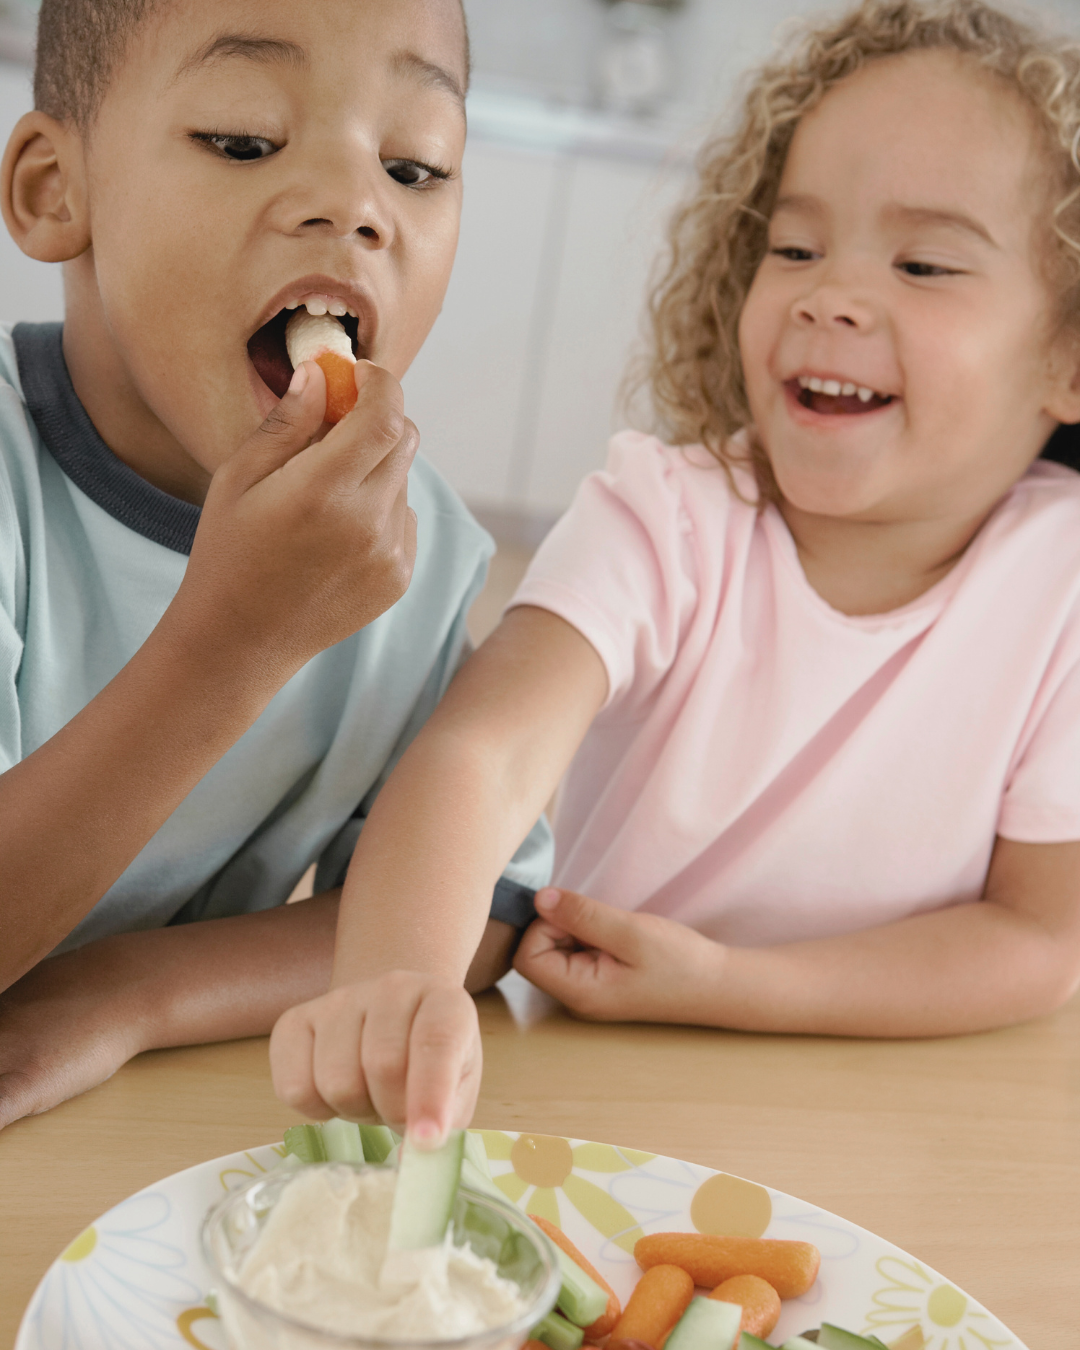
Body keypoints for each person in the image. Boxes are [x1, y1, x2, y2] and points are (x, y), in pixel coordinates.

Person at [272, 0, 1080, 1142]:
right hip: (599, 1094)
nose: (829, 292)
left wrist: (729, 983)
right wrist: (396, 984)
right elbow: (480, 755)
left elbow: (1040, 940)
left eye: (925, 263)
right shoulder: (667, 519)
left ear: (1069, 352)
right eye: (792, 246)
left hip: (893, 1124)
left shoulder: (1062, 585)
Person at [0, 0, 551, 1133]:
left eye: (414, 166)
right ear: (57, 191)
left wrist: (129, 993)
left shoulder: (421, 547)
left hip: (158, 1137)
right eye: (245, 142)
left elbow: (483, 913)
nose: (355, 208)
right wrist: (235, 640)